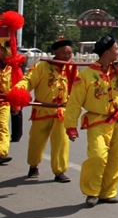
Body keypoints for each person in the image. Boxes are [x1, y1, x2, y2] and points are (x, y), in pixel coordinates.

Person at [64, 35, 118, 207]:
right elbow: (74, 103)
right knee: (97, 156)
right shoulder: (86, 75)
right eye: (116, 49)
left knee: (115, 158)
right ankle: (91, 192)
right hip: (97, 121)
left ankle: (108, 193)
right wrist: (70, 126)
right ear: (107, 52)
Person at [14, 37, 78, 181]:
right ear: (55, 52)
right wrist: (18, 91)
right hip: (43, 109)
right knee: (37, 140)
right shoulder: (41, 67)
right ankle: (33, 165)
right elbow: (28, 81)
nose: (67, 56)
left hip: (62, 112)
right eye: (64, 53)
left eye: (70, 53)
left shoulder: (72, 68)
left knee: (61, 142)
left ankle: (59, 171)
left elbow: (80, 88)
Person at [0, 11, 28, 166]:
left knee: (3, 127)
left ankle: (2, 153)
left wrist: (16, 105)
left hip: (3, 102)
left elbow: (18, 85)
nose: (4, 53)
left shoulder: (12, 68)